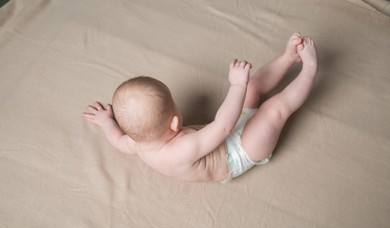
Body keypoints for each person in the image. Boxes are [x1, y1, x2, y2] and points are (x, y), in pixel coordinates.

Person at [83, 33, 317, 182]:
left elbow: (117, 140)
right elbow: (223, 126)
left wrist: (106, 121)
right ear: (175, 122)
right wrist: (236, 84)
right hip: (238, 152)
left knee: (252, 86)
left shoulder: (136, 142)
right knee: (274, 109)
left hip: (226, 131)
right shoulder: (182, 148)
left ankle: (288, 58)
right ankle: (309, 67)